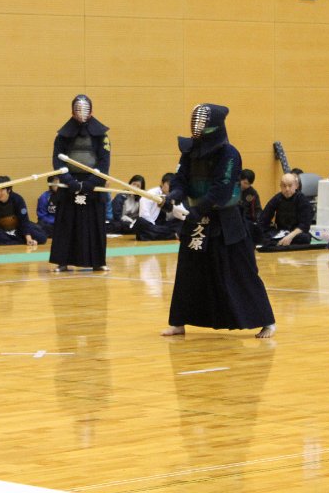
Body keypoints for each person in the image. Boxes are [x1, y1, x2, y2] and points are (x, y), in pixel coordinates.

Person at [161, 104, 276, 339]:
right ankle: (178, 322)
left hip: (226, 221)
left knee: (240, 271)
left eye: (202, 123)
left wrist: (197, 210)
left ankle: (266, 321)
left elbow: (221, 189)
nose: (197, 127)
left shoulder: (229, 154)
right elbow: (181, 179)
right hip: (196, 220)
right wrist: (173, 197)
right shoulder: (189, 150)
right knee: (188, 270)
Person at [50, 94, 111, 272]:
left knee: (94, 223)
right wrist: (71, 182)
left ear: (91, 112)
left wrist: (90, 184)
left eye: (85, 110)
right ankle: (63, 261)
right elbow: (58, 161)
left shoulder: (102, 136)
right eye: (78, 110)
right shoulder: (62, 136)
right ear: (72, 112)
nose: (82, 114)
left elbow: (104, 163)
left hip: (94, 183)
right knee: (66, 223)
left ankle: (98, 261)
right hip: (69, 183)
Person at [0, 176, 48, 245]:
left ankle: (20, 240)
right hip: (2, 230)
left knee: (41, 237)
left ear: (9, 190)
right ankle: (21, 241)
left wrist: (28, 239)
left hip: (18, 228)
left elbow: (24, 220)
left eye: (1, 190)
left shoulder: (18, 199)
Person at [257, 173, 313, 246]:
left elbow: (304, 225)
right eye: (284, 186)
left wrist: (290, 236)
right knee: (261, 235)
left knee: (305, 238)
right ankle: (280, 242)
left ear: (296, 186)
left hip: (296, 233)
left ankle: (278, 242)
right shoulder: (277, 198)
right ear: (280, 186)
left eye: (290, 186)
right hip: (280, 232)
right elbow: (264, 219)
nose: (287, 189)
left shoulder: (302, 200)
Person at [132, 173, 180, 241]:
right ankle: (171, 235)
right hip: (150, 223)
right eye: (169, 185)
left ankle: (152, 234)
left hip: (161, 225)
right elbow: (144, 214)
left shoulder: (172, 196)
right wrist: (154, 227)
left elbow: (172, 216)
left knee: (180, 222)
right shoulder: (151, 193)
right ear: (162, 183)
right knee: (141, 222)